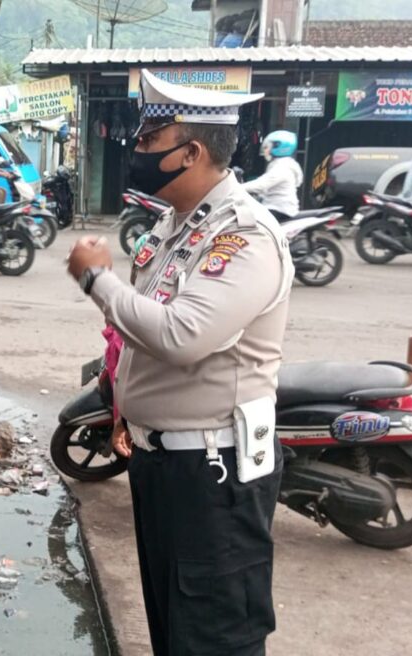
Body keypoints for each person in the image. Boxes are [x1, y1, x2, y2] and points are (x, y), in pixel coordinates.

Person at [66, 70, 292, 656]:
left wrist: (97, 279)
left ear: (190, 152)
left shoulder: (243, 237)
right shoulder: (173, 227)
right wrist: (123, 402)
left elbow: (182, 334)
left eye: (147, 144)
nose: (135, 154)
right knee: (173, 626)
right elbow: (139, 331)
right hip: (161, 459)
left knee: (214, 636)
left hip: (213, 471)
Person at [242, 130, 303, 222]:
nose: (266, 150)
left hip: (279, 209)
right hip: (275, 207)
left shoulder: (282, 167)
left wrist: (235, 187)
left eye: (268, 147)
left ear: (279, 147)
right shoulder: (281, 164)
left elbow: (261, 185)